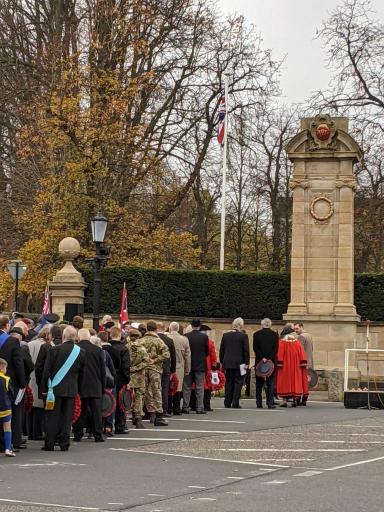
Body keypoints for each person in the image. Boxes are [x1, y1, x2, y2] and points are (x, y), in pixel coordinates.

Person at [41, 326, 85, 451]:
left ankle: (49, 443)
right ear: (75, 337)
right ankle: (64, 443)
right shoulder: (81, 352)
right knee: (67, 418)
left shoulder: (54, 350)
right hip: (71, 389)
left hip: (54, 389)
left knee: (52, 417)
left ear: (64, 336)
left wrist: (45, 388)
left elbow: (46, 371)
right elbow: (82, 373)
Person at [73, 329, 106, 443]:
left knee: (79, 410)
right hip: (95, 384)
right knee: (96, 411)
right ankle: (98, 434)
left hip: (79, 384)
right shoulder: (98, 350)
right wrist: (103, 386)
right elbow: (103, 370)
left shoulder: (75, 349)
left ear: (79, 337)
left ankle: (78, 433)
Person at [0, 316, 27, 451]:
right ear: (7, 325)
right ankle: (13, 441)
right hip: (8, 382)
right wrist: (23, 384)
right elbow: (18, 364)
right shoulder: (13, 341)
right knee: (12, 412)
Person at [141, 321, 170, 426]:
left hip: (143, 369)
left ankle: (141, 414)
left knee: (143, 392)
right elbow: (166, 355)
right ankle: (159, 416)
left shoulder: (141, 341)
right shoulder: (159, 341)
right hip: (155, 369)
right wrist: (156, 360)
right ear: (156, 329)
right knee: (156, 391)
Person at [27, 326, 53, 440]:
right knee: (39, 408)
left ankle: (30, 432)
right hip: (40, 378)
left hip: (30, 377)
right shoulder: (47, 346)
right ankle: (37, 432)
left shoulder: (30, 344)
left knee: (30, 407)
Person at [219, 317, 250, 409]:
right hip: (240, 363)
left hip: (227, 362)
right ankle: (235, 402)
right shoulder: (243, 336)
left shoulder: (225, 335)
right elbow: (246, 351)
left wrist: (222, 361)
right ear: (241, 325)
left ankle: (227, 402)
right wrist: (247, 363)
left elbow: (222, 350)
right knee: (238, 382)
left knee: (228, 382)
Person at [105, 326, 130, 434]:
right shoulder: (124, 348)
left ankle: (107, 425)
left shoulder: (106, 347)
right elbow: (126, 366)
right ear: (120, 335)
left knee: (108, 401)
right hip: (120, 377)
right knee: (121, 403)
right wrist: (127, 380)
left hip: (107, 376)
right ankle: (119, 426)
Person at [276, 325, 308, 407]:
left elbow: (279, 355)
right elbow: (302, 354)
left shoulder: (281, 342)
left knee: (284, 382)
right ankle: (294, 400)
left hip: (285, 367)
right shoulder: (297, 342)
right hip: (296, 367)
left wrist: (278, 364)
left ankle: (284, 401)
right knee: (295, 381)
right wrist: (303, 364)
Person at [126, 329, 151, 429]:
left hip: (127, 376)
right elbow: (147, 362)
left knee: (126, 397)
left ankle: (124, 419)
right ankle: (137, 419)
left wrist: (130, 369)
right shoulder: (142, 349)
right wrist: (136, 368)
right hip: (139, 377)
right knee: (138, 398)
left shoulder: (126, 347)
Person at [183, 319, 209, 414]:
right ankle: (199, 407)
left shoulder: (186, 336)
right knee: (199, 387)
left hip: (188, 365)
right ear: (200, 325)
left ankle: (185, 407)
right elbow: (207, 352)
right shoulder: (204, 337)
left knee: (186, 387)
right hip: (200, 365)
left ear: (191, 325)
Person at [253, 318, 279, 409]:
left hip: (259, 362)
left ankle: (259, 403)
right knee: (271, 383)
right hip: (271, 362)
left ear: (262, 324)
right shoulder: (275, 335)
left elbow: (255, 348)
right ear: (270, 324)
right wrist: (268, 358)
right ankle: (270, 402)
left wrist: (262, 358)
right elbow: (275, 349)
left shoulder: (256, 334)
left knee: (259, 383)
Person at [167, 322, 191, 415]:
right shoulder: (184, 340)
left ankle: (168, 408)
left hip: (168, 365)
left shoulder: (166, 338)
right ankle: (176, 408)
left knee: (168, 387)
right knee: (178, 387)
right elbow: (188, 356)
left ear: (170, 328)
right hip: (180, 366)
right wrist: (187, 369)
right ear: (178, 329)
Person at [156, 322, 176, 418]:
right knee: (165, 389)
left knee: (155, 389)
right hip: (166, 367)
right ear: (164, 329)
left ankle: (154, 409)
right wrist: (173, 370)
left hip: (155, 368)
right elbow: (173, 356)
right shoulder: (169, 340)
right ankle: (164, 410)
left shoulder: (154, 340)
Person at [293, 322, 313, 406]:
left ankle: (298, 398)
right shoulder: (309, 335)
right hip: (309, 360)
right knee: (306, 381)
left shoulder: (301, 337)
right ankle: (304, 398)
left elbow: (298, 351)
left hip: (302, 362)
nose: (295, 331)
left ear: (301, 327)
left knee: (300, 381)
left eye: (297, 329)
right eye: (294, 329)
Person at [0, 358, 16, 456]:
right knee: (7, 427)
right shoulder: (6, 379)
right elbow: (11, 393)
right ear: (2, 368)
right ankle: (8, 449)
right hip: (5, 408)